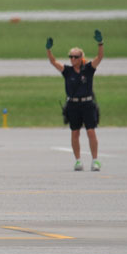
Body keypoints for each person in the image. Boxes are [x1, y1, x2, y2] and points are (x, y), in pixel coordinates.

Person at [47, 30, 104, 172]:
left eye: (75, 57)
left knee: (91, 131)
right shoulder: (67, 71)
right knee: (75, 133)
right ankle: (78, 160)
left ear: (81, 57)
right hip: (73, 104)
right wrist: (49, 50)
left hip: (87, 103)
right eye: (70, 57)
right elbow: (53, 62)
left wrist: (100, 43)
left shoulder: (88, 69)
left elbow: (100, 57)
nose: (72, 59)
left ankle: (95, 160)